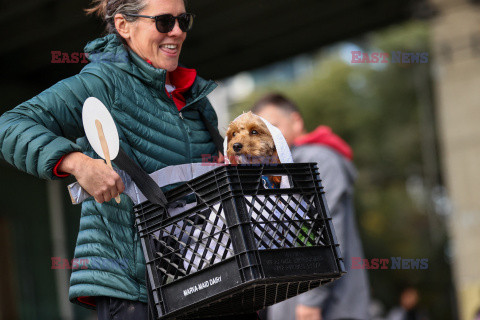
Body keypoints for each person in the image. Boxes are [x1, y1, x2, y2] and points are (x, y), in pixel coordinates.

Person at [0, 0, 239, 319]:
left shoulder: (195, 97)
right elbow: (10, 126)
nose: (178, 31)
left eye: (183, 20)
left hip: (206, 277)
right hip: (134, 289)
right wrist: (77, 162)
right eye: (165, 21)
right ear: (124, 25)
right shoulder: (102, 83)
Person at [251, 93, 370, 320]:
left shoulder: (317, 160)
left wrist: (312, 300)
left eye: (274, 127)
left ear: (296, 121)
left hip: (326, 309)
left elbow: (329, 230)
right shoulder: (280, 169)